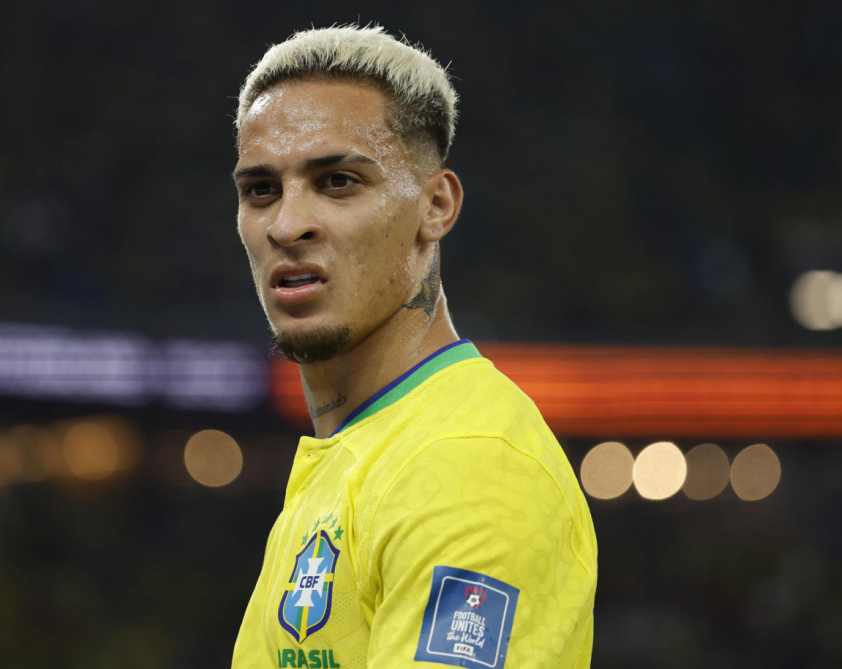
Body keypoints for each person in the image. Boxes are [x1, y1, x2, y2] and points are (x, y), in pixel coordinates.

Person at [230, 25, 596, 669]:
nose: (286, 224)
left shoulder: (468, 466)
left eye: (338, 181)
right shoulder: (369, 454)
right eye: (261, 190)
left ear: (436, 206)